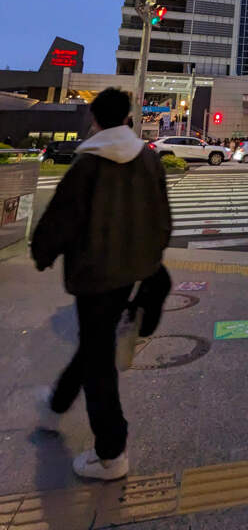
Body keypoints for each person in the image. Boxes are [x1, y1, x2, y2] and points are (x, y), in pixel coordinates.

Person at [31, 87, 172, 481]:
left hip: (96, 275)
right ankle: (57, 403)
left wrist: (42, 253)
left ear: (95, 119)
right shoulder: (148, 159)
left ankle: (110, 454)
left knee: (97, 360)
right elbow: (163, 216)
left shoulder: (89, 163)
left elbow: (62, 218)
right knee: (96, 345)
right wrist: (151, 257)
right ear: (128, 118)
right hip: (132, 270)